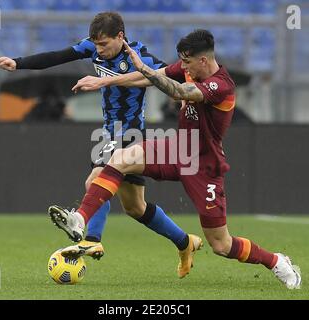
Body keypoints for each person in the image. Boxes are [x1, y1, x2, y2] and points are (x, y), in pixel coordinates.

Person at [48, 29, 301, 289]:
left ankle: (276, 261)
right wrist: (105, 81)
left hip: (204, 164)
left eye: (188, 62)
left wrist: (146, 71)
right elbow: (152, 77)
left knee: (221, 245)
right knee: (121, 157)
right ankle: (80, 219)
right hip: (178, 148)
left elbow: (181, 92)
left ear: (203, 60)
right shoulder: (190, 67)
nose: (184, 66)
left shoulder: (221, 85)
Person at [0, 12, 202, 278]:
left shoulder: (138, 56)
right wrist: (18, 62)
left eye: (104, 45)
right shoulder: (94, 47)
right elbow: (59, 55)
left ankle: (91, 238)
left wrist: (186, 94)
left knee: (96, 179)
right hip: (109, 132)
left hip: (130, 133)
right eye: (96, 45)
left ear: (120, 37)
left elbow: (172, 75)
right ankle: (185, 242)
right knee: (135, 207)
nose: (99, 51)